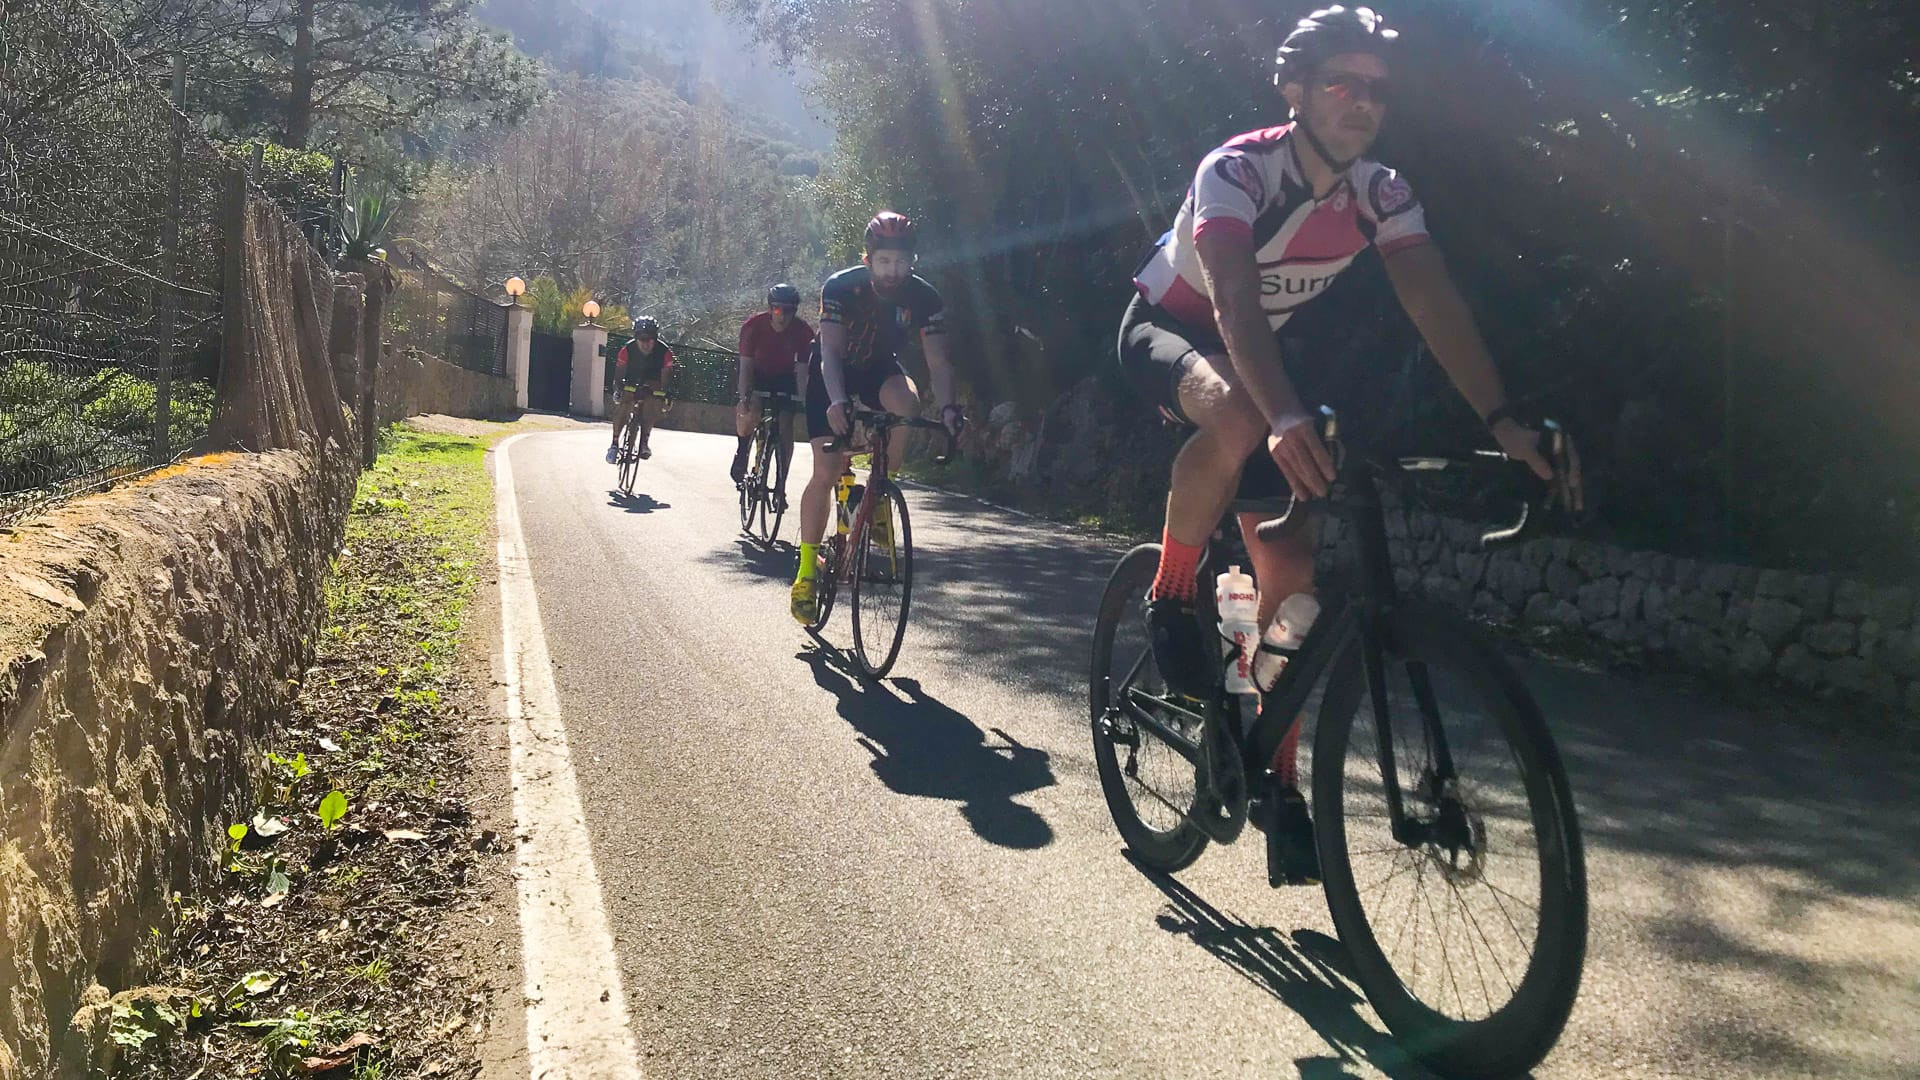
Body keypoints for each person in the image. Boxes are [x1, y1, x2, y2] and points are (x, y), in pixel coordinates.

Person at [1118, 5, 1580, 879]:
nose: (1363, 102)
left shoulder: (1382, 191)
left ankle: (1280, 779)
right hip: (1172, 326)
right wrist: (1284, 415)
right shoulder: (1238, 170)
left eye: (1377, 90)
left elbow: (1433, 301)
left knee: (1292, 582)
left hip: (1260, 351)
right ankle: (1171, 587)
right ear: (1294, 89)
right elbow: (1233, 303)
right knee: (1247, 415)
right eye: (1343, 83)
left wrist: (1501, 419)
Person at [789, 212, 965, 624]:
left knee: (907, 403)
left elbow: (938, 363)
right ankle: (807, 572)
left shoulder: (925, 298)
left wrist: (949, 408)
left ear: (913, 261)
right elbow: (831, 353)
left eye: (902, 262)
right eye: (884, 261)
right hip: (832, 373)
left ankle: (881, 489)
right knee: (827, 471)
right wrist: (837, 401)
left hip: (877, 370)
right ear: (868, 259)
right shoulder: (840, 287)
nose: (893, 271)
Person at [731, 283, 815, 487]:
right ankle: (742, 449)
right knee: (751, 410)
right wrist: (744, 398)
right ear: (769, 308)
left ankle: (781, 482)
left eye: (789, 311)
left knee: (786, 424)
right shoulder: (753, 326)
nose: (782, 316)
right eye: (777, 310)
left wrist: (805, 400)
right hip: (757, 373)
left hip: (785, 376)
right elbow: (746, 366)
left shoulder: (803, 331)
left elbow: (802, 369)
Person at [606, 316, 674, 463]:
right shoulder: (627, 349)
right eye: (641, 339)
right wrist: (618, 390)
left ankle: (644, 442)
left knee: (652, 403)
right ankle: (614, 443)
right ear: (635, 338)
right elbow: (619, 374)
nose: (645, 343)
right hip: (632, 379)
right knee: (624, 403)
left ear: (655, 338)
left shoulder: (665, 352)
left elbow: (666, 377)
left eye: (650, 339)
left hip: (653, 381)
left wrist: (665, 395)